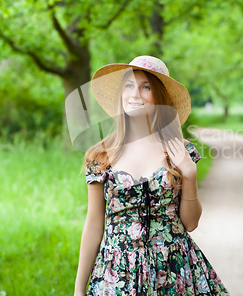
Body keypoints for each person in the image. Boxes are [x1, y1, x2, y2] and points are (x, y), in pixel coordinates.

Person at [73, 56, 230, 296]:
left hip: (174, 270)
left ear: (159, 96)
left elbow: (190, 223)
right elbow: (94, 224)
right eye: (129, 86)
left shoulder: (179, 150)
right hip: (117, 274)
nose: (135, 94)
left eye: (145, 87)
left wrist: (189, 173)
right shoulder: (100, 155)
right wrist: (78, 290)